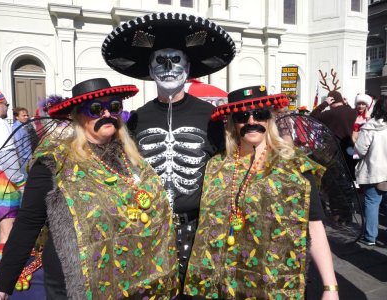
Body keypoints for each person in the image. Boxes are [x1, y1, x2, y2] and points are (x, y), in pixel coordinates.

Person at [0, 78, 179, 299]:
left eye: (114, 106)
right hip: (74, 283)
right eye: (96, 109)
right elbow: (28, 223)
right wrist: (1, 288)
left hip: (129, 279)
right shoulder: (54, 162)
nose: (107, 114)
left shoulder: (131, 158)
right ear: (78, 115)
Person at [102, 12, 235, 293]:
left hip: (200, 232)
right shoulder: (136, 119)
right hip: (149, 230)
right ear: (150, 70)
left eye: (176, 60)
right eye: (160, 61)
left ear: (188, 67)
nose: (168, 67)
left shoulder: (212, 116)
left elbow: (230, 168)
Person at [184, 86, 339, 299]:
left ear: (270, 119)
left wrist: (330, 287)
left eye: (259, 114)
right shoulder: (216, 167)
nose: (250, 121)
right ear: (232, 123)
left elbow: (314, 224)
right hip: (223, 285)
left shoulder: (295, 167)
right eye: (241, 116)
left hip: (274, 285)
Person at [0, 90, 25, 290]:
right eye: (6, 105)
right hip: (1, 181)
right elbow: (7, 154)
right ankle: (3, 277)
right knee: (6, 229)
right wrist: (19, 181)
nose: (7, 109)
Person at [310, 90, 357, 224]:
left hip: (333, 152)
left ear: (331, 100)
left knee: (334, 184)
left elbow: (312, 116)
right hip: (348, 150)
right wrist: (346, 105)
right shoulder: (352, 112)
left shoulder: (329, 114)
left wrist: (323, 104)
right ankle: (348, 214)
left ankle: (338, 214)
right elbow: (349, 114)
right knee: (347, 183)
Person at [355, 96, 387, 246]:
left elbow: (360, 150)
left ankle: (370, 236)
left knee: (372, 203)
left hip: (374, 171)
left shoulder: (370, 127)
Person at [12, 107, 37, 178]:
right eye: (23, 116)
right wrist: (21, 160)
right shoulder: (17, 128)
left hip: (28, 157)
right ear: (17, 117)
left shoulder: (25, 126)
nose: (26, 117)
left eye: (27, 115)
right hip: (23, 160)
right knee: (26, 179)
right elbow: (18, 145)